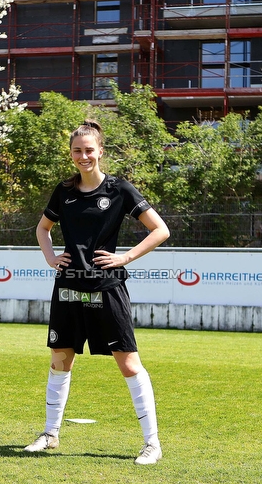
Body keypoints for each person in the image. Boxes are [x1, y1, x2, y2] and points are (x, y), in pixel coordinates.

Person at [23, 120, 170, 465]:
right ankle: (50, 434)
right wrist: (50, 257)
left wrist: (125, 257)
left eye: (89, 150)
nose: (83, 156)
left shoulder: (120, 190)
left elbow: (160, 229)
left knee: (129, 363)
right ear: (71, 153)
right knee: (60, 359)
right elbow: (43, 229)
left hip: (107, 288)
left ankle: (152, 443)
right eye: (77, 150)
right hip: (68, 286)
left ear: (100, 151)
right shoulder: (64, 191)